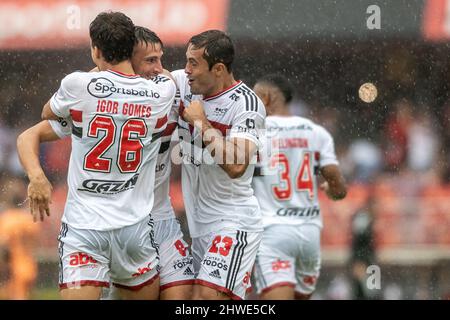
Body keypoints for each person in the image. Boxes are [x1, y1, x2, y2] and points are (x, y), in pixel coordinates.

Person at [17, 12, 176, 300]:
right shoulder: (162, 94)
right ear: (131, 50)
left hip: (84, 229)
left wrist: (37, 177)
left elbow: (46, 113)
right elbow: (163, 78)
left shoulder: (79, 87)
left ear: (96, 50)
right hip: (134, 230)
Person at [170, 30, 266, 300]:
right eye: (186, 61)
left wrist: (201, 123)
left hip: (234, 222)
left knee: (206, 298)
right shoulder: (181, 83)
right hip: (199, 227)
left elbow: (236, 166)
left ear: (219, 68)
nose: (186, 70)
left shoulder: (247, 104)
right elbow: (145, 75)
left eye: (194, 63)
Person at [251, 74, 347, 300]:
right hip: (310, 232)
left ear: (266, 98)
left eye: (254, 96)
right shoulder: (316, 132)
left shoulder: (255, 132)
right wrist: (332, 190)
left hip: (273, 230)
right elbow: (335, 179)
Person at [0, 176, 40, 300]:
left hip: (15, 268)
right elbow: (35, 242)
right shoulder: (29, 219)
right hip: (30, 265)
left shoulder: (7, 219)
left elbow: (4, 245)